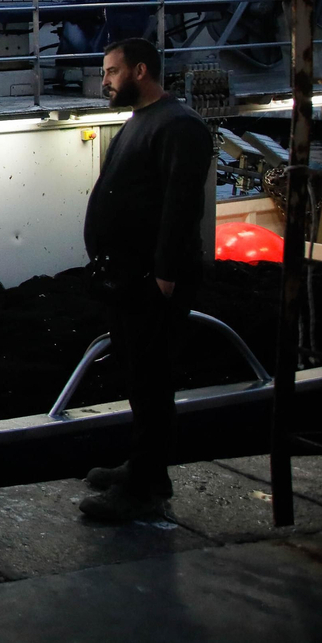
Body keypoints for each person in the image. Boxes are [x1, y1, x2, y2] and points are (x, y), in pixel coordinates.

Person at [80, 37, 213, 522]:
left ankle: (143, 486)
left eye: (112, 72)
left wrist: (166, 274)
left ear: (140, 71)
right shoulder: (143, 121)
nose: (105, 81)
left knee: (153, 381)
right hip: (126, 277)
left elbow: (182, 205)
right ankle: (144, 468)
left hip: (150, 282)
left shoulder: (179, 126)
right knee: (139, 377)